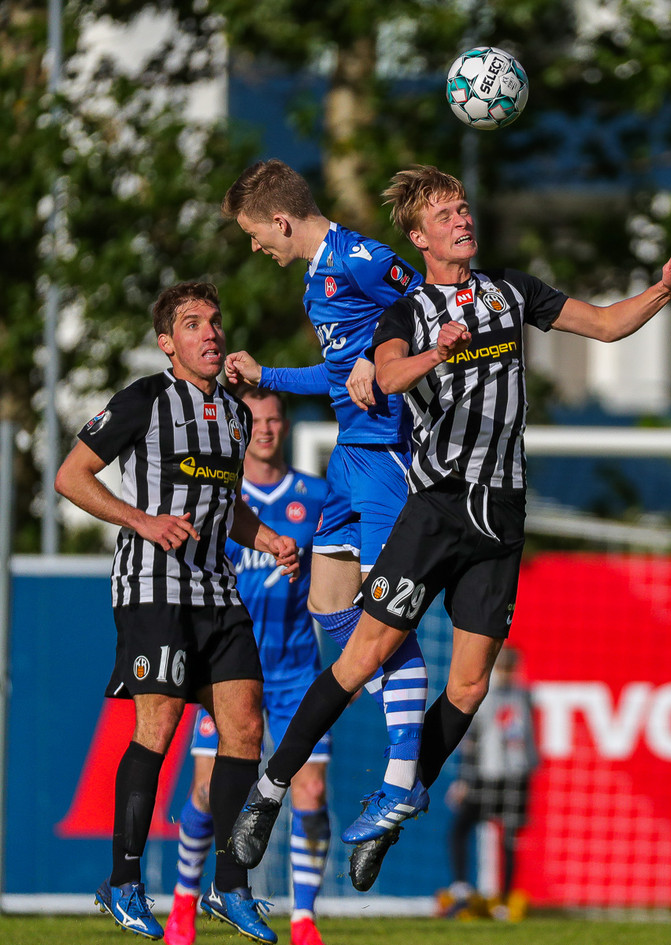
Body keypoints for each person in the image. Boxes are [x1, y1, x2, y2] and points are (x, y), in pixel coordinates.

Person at [228, 164, 671, 892]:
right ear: (419, 237)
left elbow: (607, 324)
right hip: (437, 504)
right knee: (361, 654)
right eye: (446, 214)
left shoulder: (511, 291)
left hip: (501, 510)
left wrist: (664, 289)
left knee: (472, 684)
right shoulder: (409, 309)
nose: (462, 219)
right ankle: (269, 790)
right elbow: (387, 375)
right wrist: (434, 353)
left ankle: (394, 800)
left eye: (463, 208)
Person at [55, 281, 299, 944]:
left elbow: (226, 505)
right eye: (193, 324)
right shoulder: (145, 398)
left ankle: (229, 885)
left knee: (245, 726)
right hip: (153, 587)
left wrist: (268, 537)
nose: (209, 333)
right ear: (168, 342)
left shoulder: (237, 413)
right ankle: (123, 881)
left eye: (214, 321)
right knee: (158, 726)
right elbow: (70, 476)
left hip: (217, 590)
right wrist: (141, 519)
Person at [221, 160, 431, 872]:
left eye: (255, 236)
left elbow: (437, 308)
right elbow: (341, 375)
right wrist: (268, 376)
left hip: (389, 456)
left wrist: (383, 355)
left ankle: (401, 774)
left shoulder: (363, 258)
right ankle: (402, 744)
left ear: (281, 222)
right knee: (329, 604)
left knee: (381, 624)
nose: (256, 248)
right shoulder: (318, 280)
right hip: (349, 455)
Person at [163, 387, 329, 945]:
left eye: (274, 419)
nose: (265, 429)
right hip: (230, 672)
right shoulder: (220, 499)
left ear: (286, 426)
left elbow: (338, 578)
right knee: (207, 794)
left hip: (297, 672)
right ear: (239, 429)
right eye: (255, 421)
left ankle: (304, 921)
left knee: (310, 793)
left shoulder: (315, 496)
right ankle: (184, 902)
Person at [440, 645, 538, 921]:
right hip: (496, 776)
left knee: (507, 839)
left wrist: (464, 779)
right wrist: (465, 780)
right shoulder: (520, 695)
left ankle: (500, 898)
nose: (505, 673)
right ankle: (465, 887)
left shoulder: (508, 696)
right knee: (462, 829)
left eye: (508, 668)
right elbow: (473, 741)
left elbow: (474, 741)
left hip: (507, 776)